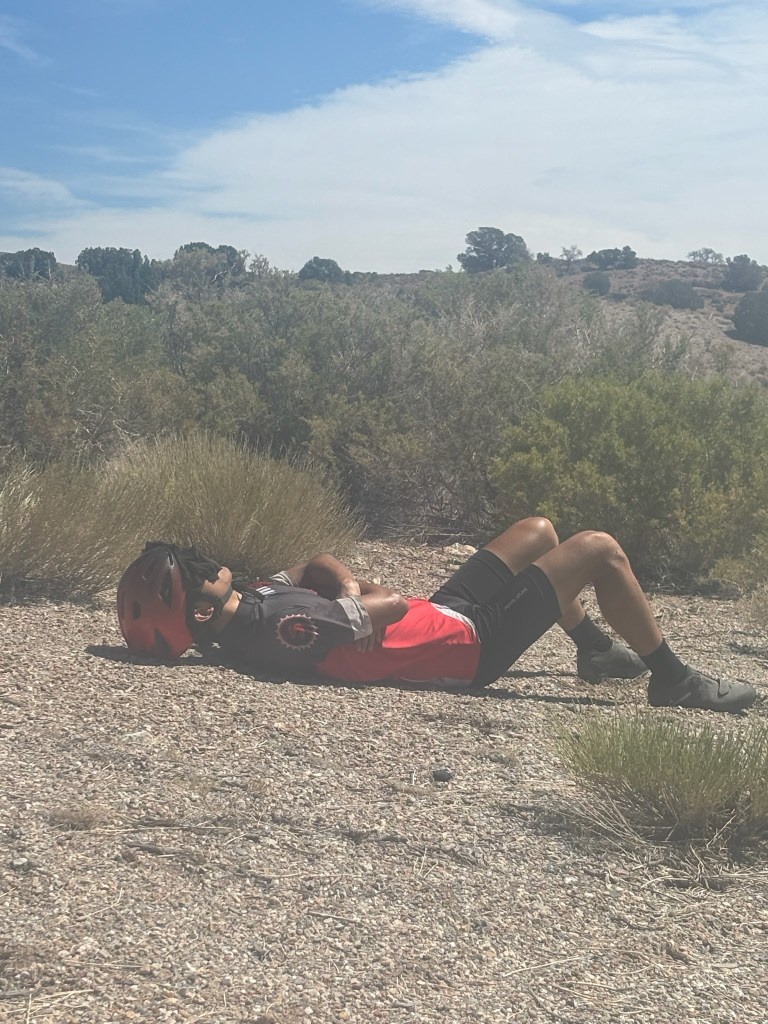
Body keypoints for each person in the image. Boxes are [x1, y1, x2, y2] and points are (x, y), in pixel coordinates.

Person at [117, 518, 758, 712]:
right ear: (200, 609)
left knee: (539, 531)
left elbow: (315, 565)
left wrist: (349, 589)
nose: (210, 564)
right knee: (597, 549)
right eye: (197, 571)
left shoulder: (252, 601)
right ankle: (674, 680)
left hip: (444, 613)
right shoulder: (279, 630)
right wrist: (362, 599)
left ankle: (593, 649)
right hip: (466, 646)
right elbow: (390, 602)